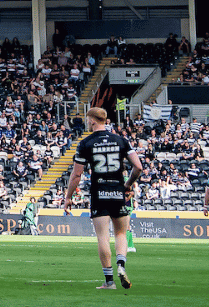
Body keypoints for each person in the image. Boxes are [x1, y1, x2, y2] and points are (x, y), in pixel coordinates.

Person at [60, 107, 146, 290]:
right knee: (121, 233)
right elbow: (138, 167)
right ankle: (121, 265)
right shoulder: (121, 140)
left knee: (103, 237)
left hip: (99, 192)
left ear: (92, 121)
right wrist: (128, 184)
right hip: (118, 191)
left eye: (86, 119)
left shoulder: (85, 143)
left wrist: (68, 197)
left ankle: (109, 282)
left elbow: (76, 175)